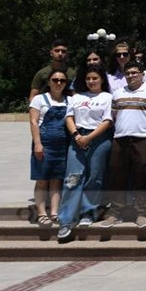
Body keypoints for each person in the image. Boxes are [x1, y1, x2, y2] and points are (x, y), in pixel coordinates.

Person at [102, 62, 146, 228]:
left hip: (143, 139)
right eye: (128, 73)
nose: (131, 76)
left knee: (142, 176)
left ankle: (142, 213)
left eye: (134, 73)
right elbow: (114, 115)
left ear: (142, 75)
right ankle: (115, 212)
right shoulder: (117, 94)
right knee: (117, 177)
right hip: (120, 138)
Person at [57, 65, 113, 241]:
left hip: (99, 138)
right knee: (72, 178)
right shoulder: (77, 97)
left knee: (94, 177)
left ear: (102, 79)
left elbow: (108, 120)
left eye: (95, 78)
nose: (91, 82)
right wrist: (76, 135)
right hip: (77, 138)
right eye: (88, 78)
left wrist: (90, 138)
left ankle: (89, 212)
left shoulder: (108, 97)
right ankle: (66, 220)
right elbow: (69, 117)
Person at [29, 70, 71, 226]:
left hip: (63, 145)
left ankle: (54, 212)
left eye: (62, 80)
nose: (58, 83)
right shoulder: (39, 99)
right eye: (55, 80)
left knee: (56, 180)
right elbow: (34, 122)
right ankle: (41, 213)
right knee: (41, 180)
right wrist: (37, 143)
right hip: (44, 144)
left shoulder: (70, 100)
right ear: (48, 82)